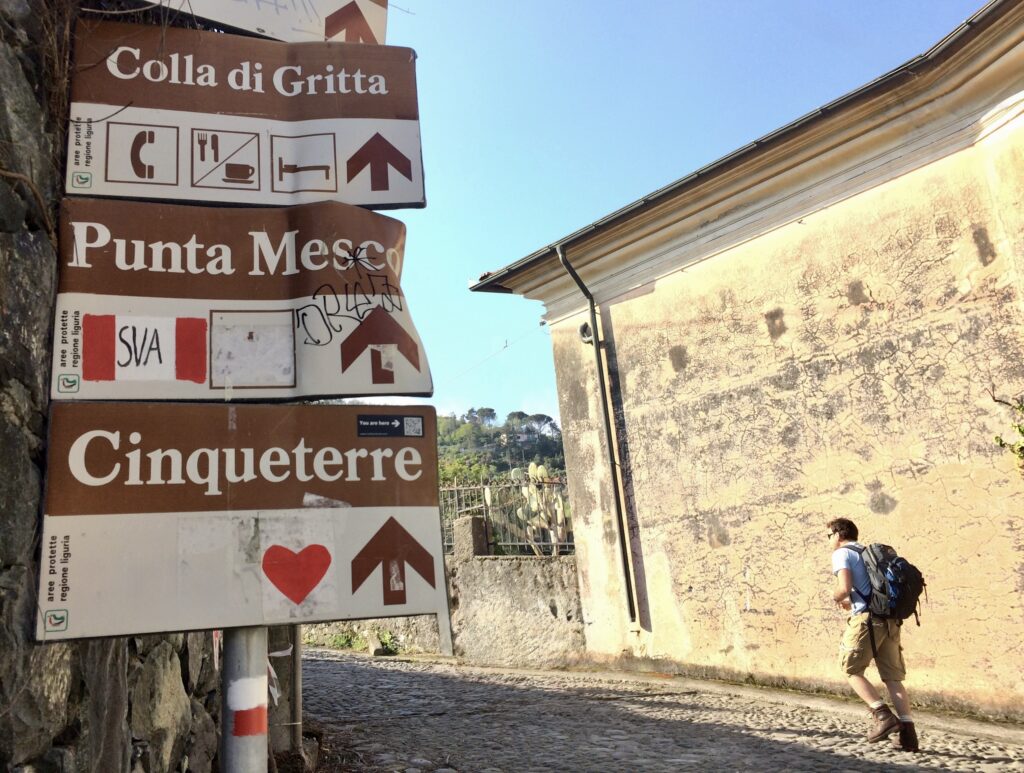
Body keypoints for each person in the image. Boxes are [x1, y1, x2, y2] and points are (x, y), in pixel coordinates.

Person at [827, 518, 919, 752]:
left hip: (867, 621)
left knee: (850, 669)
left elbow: (844, 588)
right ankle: (908, 736)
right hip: (889, 620)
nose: (828, 540)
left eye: (829, 536)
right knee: (893, 678)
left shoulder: (841, 553)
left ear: (838, 534)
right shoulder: (867, 552)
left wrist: (835, 596)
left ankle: (883, 716)